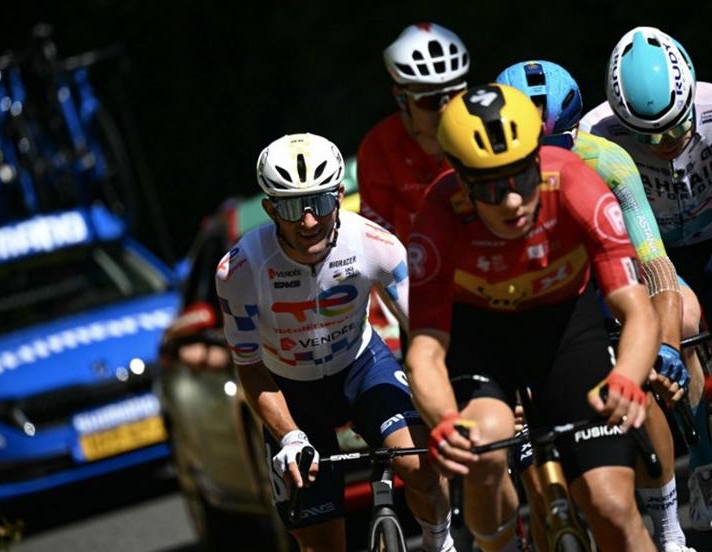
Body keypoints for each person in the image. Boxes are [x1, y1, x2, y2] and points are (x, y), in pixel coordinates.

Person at [405, 83, 659, 552]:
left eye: (522, 177)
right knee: (485, 442)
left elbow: (636, 306)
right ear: (461, 180)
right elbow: (424, 349)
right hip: (480, 337)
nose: (512, 201)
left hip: (564, 328)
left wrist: (627, 376)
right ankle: (499, 546)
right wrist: (443, 419)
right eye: (490, 186)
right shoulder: (437, 219)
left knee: (613, 510)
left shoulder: (578, 184)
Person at [215, 133, 454, 551]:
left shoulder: (374, 245)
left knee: (421, 467)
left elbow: (426, 333)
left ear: (340, 195)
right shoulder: (240, 269)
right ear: (270, 209)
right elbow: (249, 367)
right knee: (321, 543)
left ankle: (442, 542)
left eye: (321, 202)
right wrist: (289, 436)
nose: (309, 221)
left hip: (363, 367)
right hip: (289, 389)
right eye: (291, 207)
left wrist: (458, 397)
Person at [497, 59, 698, 552]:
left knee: (642, 387)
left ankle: (670, 532)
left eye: (558, 147)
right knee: (525, 464)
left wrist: (666, 348)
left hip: (596, 292)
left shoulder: (604, 161)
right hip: (517, 308)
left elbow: (654, 266)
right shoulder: (484, 191)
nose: (547, 165)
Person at [579, 25, 712, 531]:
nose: (662, 145)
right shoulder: (595, 134)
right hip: (652, 251)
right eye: (646, 135)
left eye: (674, 130)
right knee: (687, 323)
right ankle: (702, 464)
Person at [358, 22, 469, 244]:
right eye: (430, 100)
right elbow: (378, 244)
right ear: (402, 98)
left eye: (456, 93)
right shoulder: (378, 148)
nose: (445, 108)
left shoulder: (483, 130)